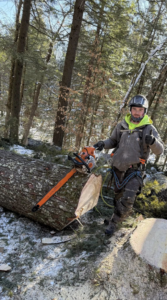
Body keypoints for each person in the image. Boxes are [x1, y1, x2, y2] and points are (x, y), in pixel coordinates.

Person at [94, 95, 164, 236]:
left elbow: (160, 150)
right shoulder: (122, 125)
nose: (137, 112)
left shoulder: (149, 128)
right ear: (130, 110)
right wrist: (103, 144)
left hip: (135, 170)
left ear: (144, 111)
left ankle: (114, 224)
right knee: (117, 197)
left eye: (140, 110)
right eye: (135, 109)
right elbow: (112, 141)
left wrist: (153, 142)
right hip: (118, 167)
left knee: (127, 199)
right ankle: (116, 217)